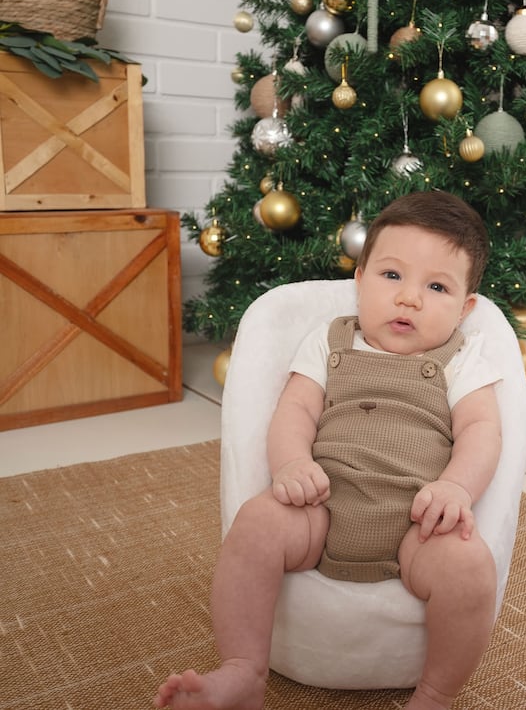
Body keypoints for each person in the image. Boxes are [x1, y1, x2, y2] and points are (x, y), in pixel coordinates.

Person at [154, 190, 504, 710]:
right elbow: (294, 410)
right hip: (320, 509)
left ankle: (435, 694)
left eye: (436, 286)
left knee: (471, 567)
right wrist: (292, 463)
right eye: (391, 276)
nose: (410, 298)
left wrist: (456, 486)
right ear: (359, 281)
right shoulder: (331, 340)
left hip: (418, 528)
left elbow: (481, 430)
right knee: (255, 523)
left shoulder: (463, 357)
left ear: (464, 308)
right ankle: (243, 671)